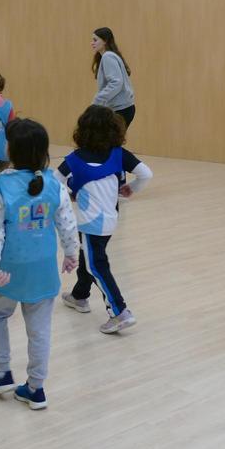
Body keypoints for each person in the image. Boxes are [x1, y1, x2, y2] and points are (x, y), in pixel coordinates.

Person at [0, 119, 80, 410]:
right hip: (44, 269)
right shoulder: (55, 185)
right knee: (40, 330)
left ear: (11, 149)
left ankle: (2, 373)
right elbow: (67, 226)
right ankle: (36, 388)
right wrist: (72, 253)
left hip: (8, 269)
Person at [57, 106, 152, 334]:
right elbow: (146, 174)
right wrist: (131, 188)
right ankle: (80, 295)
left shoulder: (73, 160)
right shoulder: (120, 154)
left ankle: (120, 312)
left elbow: (54, 182)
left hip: (89, 222)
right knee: (87, 254)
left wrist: (70, 193)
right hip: (111, 219)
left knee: (96, 264)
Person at [91, 27, 135, 128]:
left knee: (106, 141)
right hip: (123, 108)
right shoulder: (109, 56)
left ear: (105, 41)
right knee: (108, 141)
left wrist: (98, 100)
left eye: (95, 40)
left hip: (121, 109)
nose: (92, 43)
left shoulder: (108, 57)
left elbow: (116, 82)